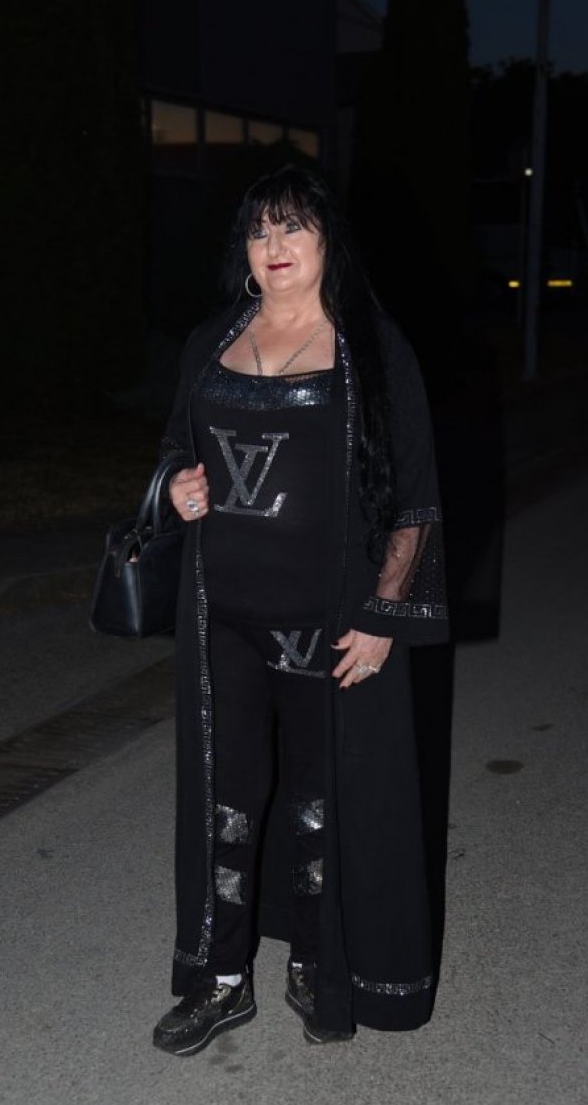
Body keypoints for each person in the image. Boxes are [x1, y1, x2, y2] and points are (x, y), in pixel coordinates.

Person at [152, 165, 448, 1055]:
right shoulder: (211, 341)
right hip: (224, 622)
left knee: (322, 805)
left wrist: (385, 613)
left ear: (328, 242)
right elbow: (174, 449)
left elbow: (413, 496)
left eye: (292, 228)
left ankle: (319, 962)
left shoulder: (371, 350)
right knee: (228, 801)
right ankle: (221, 979)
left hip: (327, 623)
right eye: (259, 230)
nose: (274, 247)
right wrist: (178, 486)